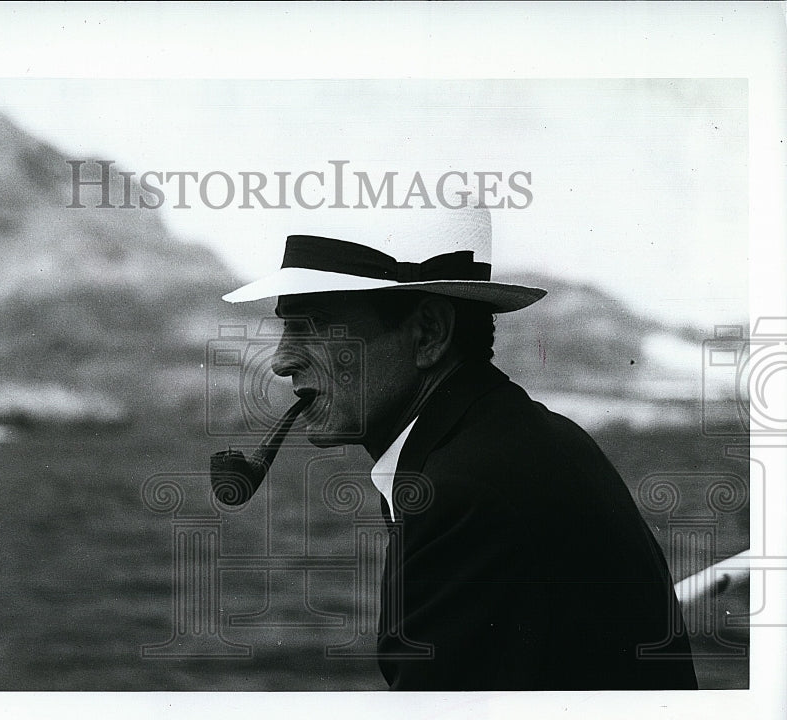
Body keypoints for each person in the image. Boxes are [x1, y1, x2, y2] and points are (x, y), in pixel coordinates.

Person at [222, 213, 698, 691]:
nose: (282, 360)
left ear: (429, 333)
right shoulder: (523, 438)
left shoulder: (463, 497)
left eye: (316, 326)